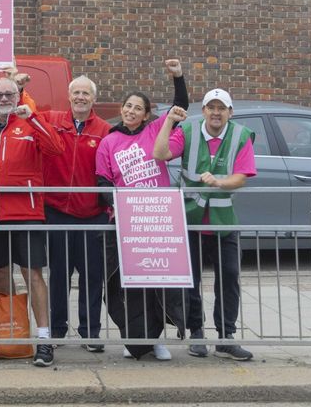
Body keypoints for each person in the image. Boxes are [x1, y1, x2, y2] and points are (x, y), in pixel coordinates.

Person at [94, 58, 189, 362]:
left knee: (156, 284)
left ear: (147, 114)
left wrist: (177, 77)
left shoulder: (156, 131)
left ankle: (155, 340)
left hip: (157, 221)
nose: (131, 111)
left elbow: (179, 107)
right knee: (125, 285)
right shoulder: (109, 141)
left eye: (137, 107)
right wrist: (119, 209)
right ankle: (135, 340)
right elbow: (102, 182)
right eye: (127, 106)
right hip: (124, 222)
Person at [0, 77, 63, 367]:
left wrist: (31, 117)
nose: (4, 98)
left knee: (32, 276)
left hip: (26, 212)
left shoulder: (32, 122)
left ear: (18, 95)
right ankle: (11, 333)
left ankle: (44, 338)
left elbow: (55, 149)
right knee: (0, 276)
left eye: (9, 93)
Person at [154, 87, 256, 361]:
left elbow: (242, 176)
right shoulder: (188, 131)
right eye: (211, 107)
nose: (215, 112)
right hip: (192, 221)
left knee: (229, 280)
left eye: (221, 108)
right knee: (191, 282)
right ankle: (196, 333)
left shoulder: (240, 136)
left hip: (224, 224)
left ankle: (225, 337)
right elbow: (160, 153)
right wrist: (168, 121)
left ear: (230, 113)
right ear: (205, 111)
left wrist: (219, 182)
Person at [38, 75, 113, 352]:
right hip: (57, 211)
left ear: (93, 99)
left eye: (86, 93)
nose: (80, 97)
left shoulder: (105, 130)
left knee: (92, 277)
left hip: (92, 214)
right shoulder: (53, 121)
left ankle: (90, 333)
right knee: (58, 276)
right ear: (69, 96)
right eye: (76, 93)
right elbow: (27, 114)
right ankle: (57, 331)